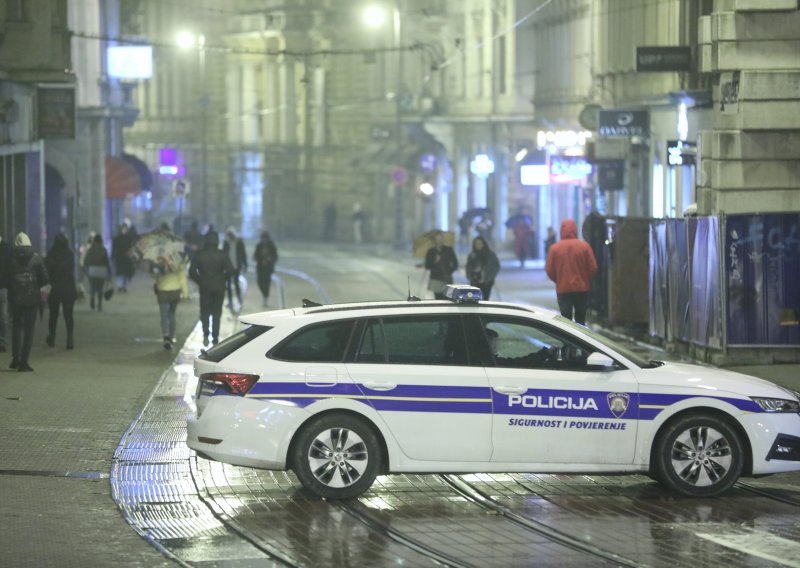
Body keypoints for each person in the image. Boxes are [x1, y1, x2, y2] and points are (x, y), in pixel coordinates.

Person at [8, 232, 49, 372]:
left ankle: (15, 358)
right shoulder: (35, 258)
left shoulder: (10, 259)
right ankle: (24, 363)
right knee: (29, 331)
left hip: (16, 299)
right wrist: (43, 298)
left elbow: (7, 280)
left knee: (16, 327)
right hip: (32, 299)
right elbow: (44, 279)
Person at [545, 219, 598, 325]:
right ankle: (581, 340)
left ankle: (567, 341)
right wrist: (586, 280)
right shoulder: (584, 247)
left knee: (566, 322)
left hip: (563, 289)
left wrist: (559, 280)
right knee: (580, 320)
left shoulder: (555, 249)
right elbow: (593, 268)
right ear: (575, 230)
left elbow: (549, 270)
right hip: (582, 289)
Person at [189, 231, 234, 347]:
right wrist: (222, 278)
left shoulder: (199, 254)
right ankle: (215, 337)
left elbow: (192, 272)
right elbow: (230, 270)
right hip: (219, 287)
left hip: (205, 287)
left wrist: (200, 281)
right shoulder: (222, 254)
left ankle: (205, 334)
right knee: (217, 312)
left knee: (205, 311)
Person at [45, 233, 78, 350]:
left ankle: (52, 338)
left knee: (53, 315)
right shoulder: (70, 254)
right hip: (68, 288)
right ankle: (70, 339)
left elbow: (46, 271)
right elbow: (71, 270)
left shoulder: (51, 254)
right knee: (68, 315)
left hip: (55, 288)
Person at [153, 255, 189, 350]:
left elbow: (154, 275)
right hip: (175, 291)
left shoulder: (158, 262)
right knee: (172, 314)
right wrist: (185, 293)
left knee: (164, 315)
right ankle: (171, 337)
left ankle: (166, 337)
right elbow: (182, 278)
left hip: (163, 291)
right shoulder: (178, 262)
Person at [424, 231, 458, 300]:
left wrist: (449, 271)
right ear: (434, 241)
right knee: (438, 299)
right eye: (437, 239)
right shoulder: (431, 251)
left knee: (449, 298)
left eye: (441, 239)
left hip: (447, 278)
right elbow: (427, 266)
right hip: (436, 279)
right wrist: (434, 261)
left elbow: (455, 264)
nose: (439, 241)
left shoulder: (449, 250)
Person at [83, 234, 111, 311]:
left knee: (93, 286)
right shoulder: (103, 249)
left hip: (92, 270)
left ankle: (92, 298)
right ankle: (99, 304)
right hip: (102, 271)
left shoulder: (91, 249)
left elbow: (86, 260)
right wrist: (109, 272)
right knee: (100, 288)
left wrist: (86, 270)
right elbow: (107, 262)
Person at [222, 227, 247, 311]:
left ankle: (239, 300)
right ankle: (230, 302)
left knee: (236, 284)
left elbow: (243, 254)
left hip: (236, 266)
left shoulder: (239, 243)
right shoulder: (226, 243)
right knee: (228, 285)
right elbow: (223, 254)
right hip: (228, 267)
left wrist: (245, 265)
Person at [253, 231, 278, 307]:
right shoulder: (259, 246)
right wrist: (260, 260)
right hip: (260, 267)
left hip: (268, 268)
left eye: (265, 238)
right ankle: (264, 295)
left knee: (267, 283)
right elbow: (255, 255)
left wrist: (268, 260)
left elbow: (275, 256)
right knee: (259, 282)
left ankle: (265, 297)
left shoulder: (272, 246)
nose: (264, 240)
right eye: (263, 238)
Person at [111, 223, 135, 292]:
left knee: (124, 273)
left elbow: (132, 248)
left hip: (125, 257)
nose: (124, 230)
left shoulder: (128, 238)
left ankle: (123, 286)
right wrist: (112, 256)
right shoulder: (119, 238)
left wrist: (132, 255)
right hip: (120, 257)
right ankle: (120, 286)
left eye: (125, 229)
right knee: (120, 273)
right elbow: (114, 248)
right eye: (123, 229)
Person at [0, 235, 11, 353]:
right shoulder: (7, 248)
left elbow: (9, 267)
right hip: (3, 287)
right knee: (3, 316)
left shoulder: (6, 248)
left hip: (2, 287)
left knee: (3, 317)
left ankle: (2, 342)